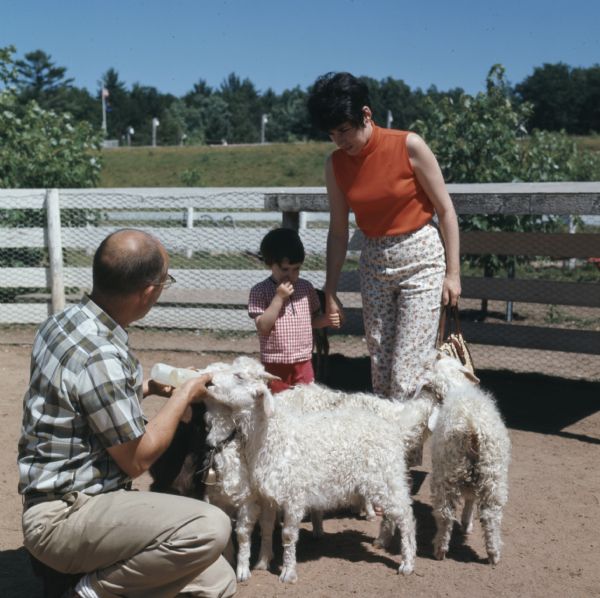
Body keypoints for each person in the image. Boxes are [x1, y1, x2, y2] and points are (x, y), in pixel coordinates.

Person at [18, 229, 236, 598]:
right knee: (210, 526)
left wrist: (146, 389)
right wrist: (183, 396)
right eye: (165, 280)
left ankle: (76, 576)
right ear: (149, 291)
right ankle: (88, 591)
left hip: (60, 505)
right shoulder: (102, 354)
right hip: (66, 517)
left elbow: (80, 401)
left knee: (217, 580)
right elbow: (138, 458)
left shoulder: (64, 322)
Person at [307, 72, 462, 399]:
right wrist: (330, 290)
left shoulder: (409, 145)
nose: (340, 140)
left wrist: (453, 274)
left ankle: (410, 449)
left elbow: (446, 210)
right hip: (374, 265)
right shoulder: (334, 165)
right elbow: (338, 231)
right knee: (380, 370)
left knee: (409, 374)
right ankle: (393, 450)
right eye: (332, 133)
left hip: (422, 261)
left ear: (366, 114)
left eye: (345, 130)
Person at [248, 227, 339, 393]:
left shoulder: (306, 288)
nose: (291, 274)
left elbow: (310, 321)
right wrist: (278, 298)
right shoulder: (260, 291)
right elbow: (263, 326)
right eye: (285, 269)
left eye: (296, 269)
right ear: (270, 264)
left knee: (306, 400)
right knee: (278, 402)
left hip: (303, 360)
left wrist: (325, 320)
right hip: (275, 362)